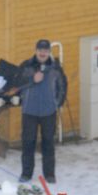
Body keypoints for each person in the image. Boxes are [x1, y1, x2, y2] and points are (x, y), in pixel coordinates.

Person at [17, 38, 67, 184]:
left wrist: (57, 103)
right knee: (28, 143)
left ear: (49, 52)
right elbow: (17, 83)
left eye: (45, 51)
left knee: (48, 144)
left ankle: (49, 174)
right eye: (40, 50)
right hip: (29, 112)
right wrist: (33, 79)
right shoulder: (26, 66)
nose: (43, 53)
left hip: (48, 113)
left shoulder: (55, 68)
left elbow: (62, 86)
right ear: (36, 51)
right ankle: (26, 173)